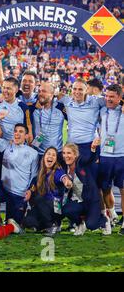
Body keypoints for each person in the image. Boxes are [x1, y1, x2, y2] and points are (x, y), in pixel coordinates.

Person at [0, 112, 39, 224]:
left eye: (21, 132)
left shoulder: (33, 153)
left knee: (14, 224)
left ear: (26, 136)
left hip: (19, 194)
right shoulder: (5, 145)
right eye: (15, 131)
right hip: (4, 189)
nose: (17, 134)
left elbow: (34, 175)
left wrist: (30, 190)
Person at [61, 142, 112, 236]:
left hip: (92, 200)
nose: (66, 156)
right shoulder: (64, 167)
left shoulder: (81, 162)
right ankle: (80, 224)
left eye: (69, 153)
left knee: (91, 225)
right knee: (66, 210)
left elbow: (89, 158)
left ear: (75, 155)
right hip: (78, 200)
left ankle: (104, 220)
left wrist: (93, 149)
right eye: (64, 153)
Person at [23, 147, 71, 237]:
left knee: (39, 198)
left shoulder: (58, 172)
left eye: (53, 155)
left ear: (56, 160)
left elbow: (64, 177)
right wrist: (29, 191)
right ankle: (46, 225)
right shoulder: (40, 174)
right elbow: (33, 187)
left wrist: (67, 182)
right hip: (44, 208)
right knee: (28, 221)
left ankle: (53, 224)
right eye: (48, 154)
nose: (50, 156)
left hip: (56, 208)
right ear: (44, 157)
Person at [97, 84, 124, 233]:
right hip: (105, 155)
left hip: (122, 155)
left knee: (123, 188)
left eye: (112, 96)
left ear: (120, 98)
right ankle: (112, 214)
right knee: (105, 188)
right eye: (107, 96)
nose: (108, 99)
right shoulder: (102, 110)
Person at [32, 82, 67, 158]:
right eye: (39, 91)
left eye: (44, 91)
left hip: (57, 153)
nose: (40, 94)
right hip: (38, 154)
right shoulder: (33, 107)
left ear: (52, 94)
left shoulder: (60, 107)